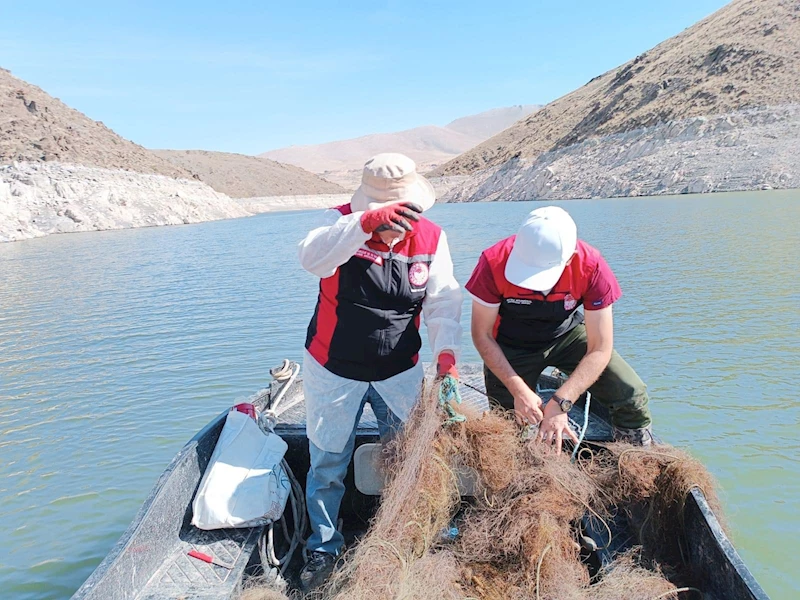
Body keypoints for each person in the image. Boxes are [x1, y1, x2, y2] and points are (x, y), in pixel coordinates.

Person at [297, 153, 462, 589]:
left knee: (411, 456)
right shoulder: (339, 228)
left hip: (399, 369)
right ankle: (323, 545)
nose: (402, 222)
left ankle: (412, 534)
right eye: (393, 214)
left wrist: (445, 355)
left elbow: (443, 299)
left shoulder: (431, 237)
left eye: (408, 213)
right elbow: (310, 259)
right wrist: (365, 225)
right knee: (328, 461)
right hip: (334, 368)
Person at [465, 206, 652, 453]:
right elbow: (482, 335)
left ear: (571, 257)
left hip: (567, 337)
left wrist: (561, 402)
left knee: (631, 392)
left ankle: (635, 460)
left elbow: (599, 348)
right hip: (510, 345)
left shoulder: (591, 265)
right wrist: (518, 391)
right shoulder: (493, 262)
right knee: (507, 425)